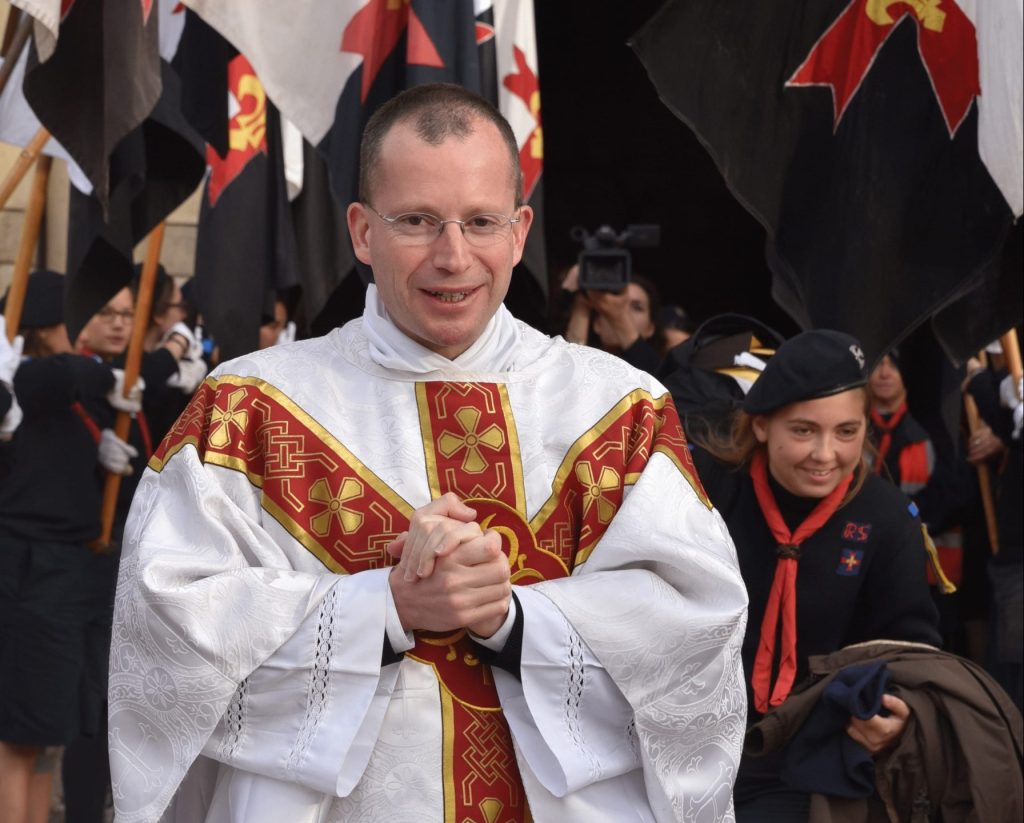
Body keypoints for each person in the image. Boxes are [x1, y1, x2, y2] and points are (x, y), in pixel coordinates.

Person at [108, 83, 749, 823]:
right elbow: (168, 632)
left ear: (519, 230)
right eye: (416, 220)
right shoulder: (245, 407)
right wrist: (385, 606)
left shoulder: (619, 408)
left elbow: (696, 628)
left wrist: (511, 621)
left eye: (480, 222)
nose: (453, 256)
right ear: (361, 230)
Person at [690, 329, 941, 821]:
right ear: (762, 425)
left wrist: (896, 714)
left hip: (817, 759)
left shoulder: (886, 519)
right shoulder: (709, 492)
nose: (826, 455)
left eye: (847, 432)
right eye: (803, 430)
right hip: (697, 746)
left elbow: (910, 650)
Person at [0, 271, 141, 823]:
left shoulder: (78, 387)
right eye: (94, 308)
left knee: (49, 739)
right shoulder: (26, 378)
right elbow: (51, 380)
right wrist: (101, 373)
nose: (110, 322)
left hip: (78, 574)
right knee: (19, 738)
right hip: (33, 574)